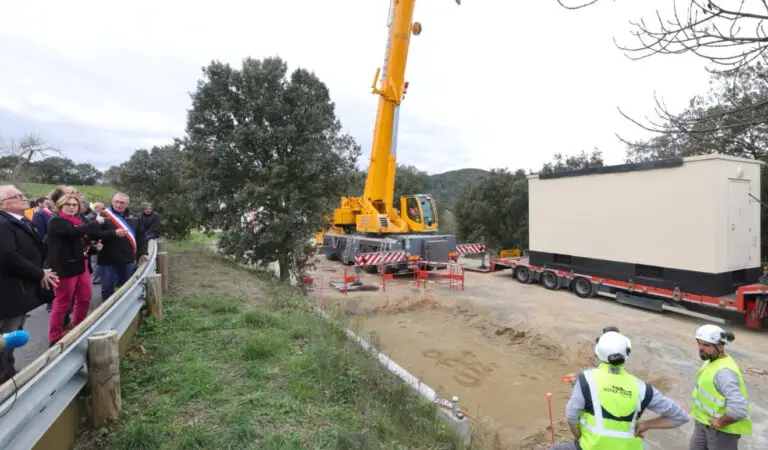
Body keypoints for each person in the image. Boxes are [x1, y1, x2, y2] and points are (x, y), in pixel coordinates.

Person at [550, 327, 690, 450]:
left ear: (598, 353)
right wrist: (645, 424)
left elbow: (571, 415)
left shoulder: (586, 379)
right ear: (626, 354)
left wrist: (579, 437)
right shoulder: (642, 388)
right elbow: (680, 416)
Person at [0, 185, 58, 381]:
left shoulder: (20, 220)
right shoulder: (2, 223)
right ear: (3, 204)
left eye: (22, 194)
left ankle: (8, 373)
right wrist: (38, 273)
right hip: (8, 291)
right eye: (17, 196)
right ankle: (5, 380)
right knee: (7, 337)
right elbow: (8, 256)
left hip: (19, 289)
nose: (24, 197)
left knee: (15, 333)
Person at [45, 194, 110, 346]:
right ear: (60, 207)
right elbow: (73, 233)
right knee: (63, 302)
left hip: (81, 264)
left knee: (85, 297)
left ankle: (78, 328)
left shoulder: (79, 220)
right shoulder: (57, 221)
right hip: (64, 267)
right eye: (68, 205)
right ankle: (54, 337)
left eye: (75, 205)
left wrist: (94, 247)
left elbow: (82, 240)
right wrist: (96, 223)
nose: (72, 207)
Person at [689, 324, 751, 449]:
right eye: (699, 343)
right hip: (703, 423)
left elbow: (738, 409)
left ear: (720, 346)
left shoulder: (724, 372)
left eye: (706, 345)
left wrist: (720, 422)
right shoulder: (711, 361)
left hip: (722, 431)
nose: (701, 348)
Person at [96, 192, 148, 300]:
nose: (119, 205)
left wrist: (143, 253)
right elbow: (95, 234)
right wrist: (113, 233)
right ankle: (108, 313)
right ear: (112, 201)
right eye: (116, 202)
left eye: (122, 203)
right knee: (107, 288)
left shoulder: (135, 217)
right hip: (107, 259)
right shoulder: (102, 216)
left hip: (127, 259)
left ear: (127, 204)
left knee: (127, 287)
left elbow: (141, 237)